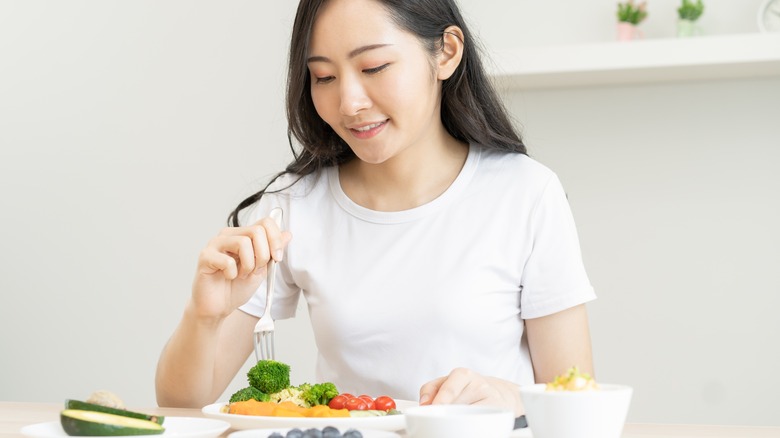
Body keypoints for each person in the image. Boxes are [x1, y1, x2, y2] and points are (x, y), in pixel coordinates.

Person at [155, 0, 596, 417]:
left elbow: (575, 402)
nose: (349, 103)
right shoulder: (293, 207)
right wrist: (204, 316)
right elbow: (180, 404)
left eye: (374, 67)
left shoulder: (526, 193)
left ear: (446, 53)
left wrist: (510, 398)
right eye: (324, 77)